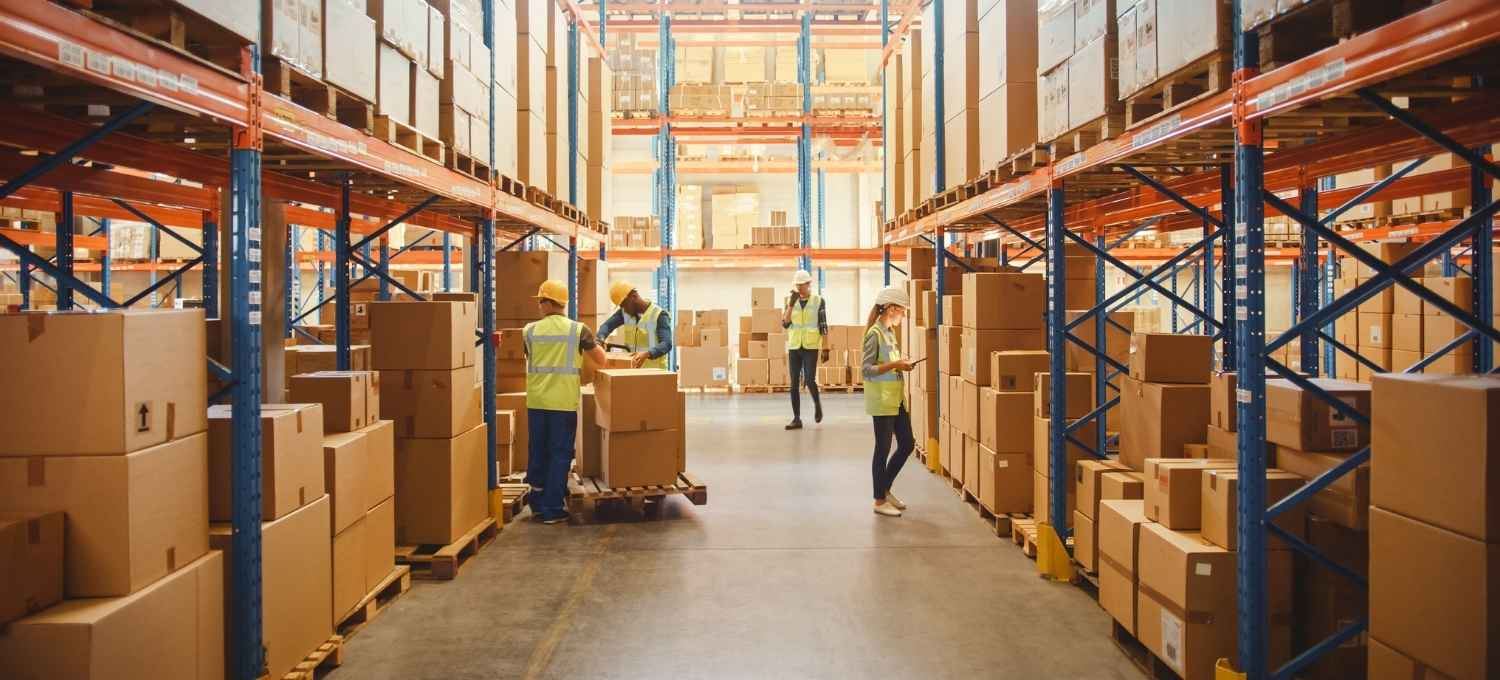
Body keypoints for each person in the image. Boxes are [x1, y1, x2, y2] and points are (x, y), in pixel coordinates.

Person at [524, 279, 607, 524]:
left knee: (538, 450)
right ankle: (552, 509)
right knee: (559, 454)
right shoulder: (578, 330)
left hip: (537, 401)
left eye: (541, 301)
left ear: (549, 303)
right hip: (562, 403)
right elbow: (601, 359)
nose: (539, 306)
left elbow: (530, 356)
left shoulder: (529, 330)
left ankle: (537, 504)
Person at [863, 286, 916, 517]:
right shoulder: (874, 334)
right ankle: (879, 500)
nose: (903, 315)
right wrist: (896, 365)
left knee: (907, 443)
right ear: (892, 308)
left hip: (896, 400)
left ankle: (885, 488)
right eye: (902, 311)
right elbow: (866, 370)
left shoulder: (889, 332)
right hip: (882, 401)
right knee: (882, 450)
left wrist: (902, 363)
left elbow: (891, 363)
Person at [782, 269, 828, 430]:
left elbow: (823, 326)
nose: (800, 288)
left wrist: (826, 348)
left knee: (809, 379)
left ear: (809, 284)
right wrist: (790, 305)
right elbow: (785, 323)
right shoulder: (789, 300)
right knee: (794, 383)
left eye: (802, 285)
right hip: (795, 346)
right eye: (797, 285)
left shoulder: (818, 301)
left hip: (810, 346)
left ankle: (817, 404)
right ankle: (796, 418)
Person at [598, 280, 672, 369]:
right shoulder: (625, 313)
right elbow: (607, 326)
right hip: (632, 371)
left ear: (633, 296)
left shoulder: (659, 315)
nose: (623, 310)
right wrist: (600, 339)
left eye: (624, 305)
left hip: (654, 373)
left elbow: (666, 343)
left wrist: (648, 353)